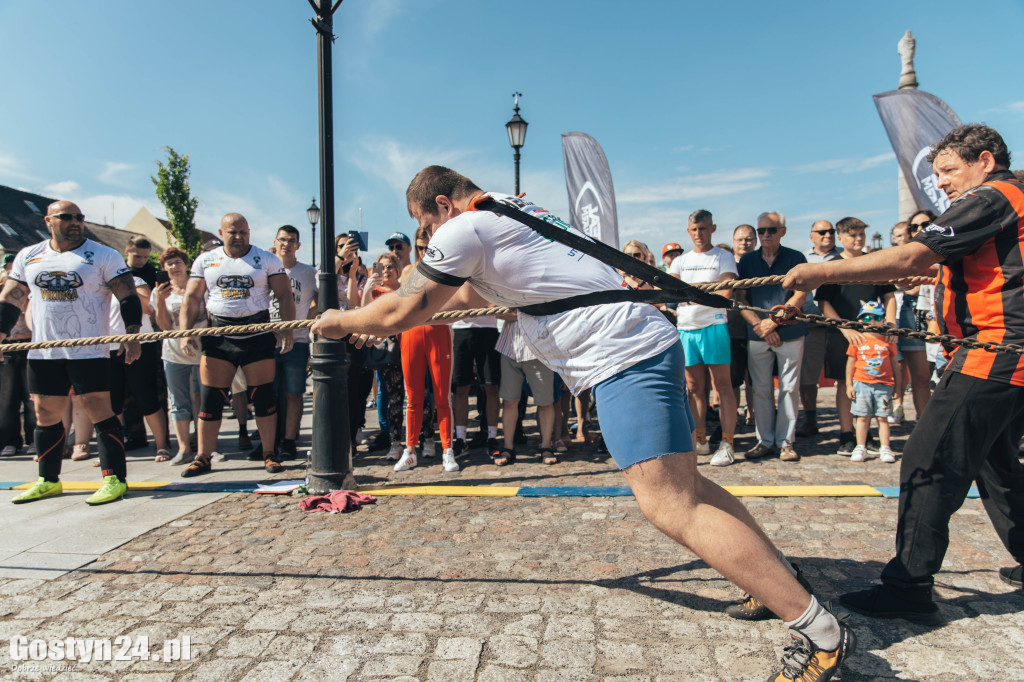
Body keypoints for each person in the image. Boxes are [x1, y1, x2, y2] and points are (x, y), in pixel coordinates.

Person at [312, 166, 854, 681]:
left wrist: (340, 321)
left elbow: (397, 313)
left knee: (670, 505)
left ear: (442, 204)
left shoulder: (468, 226)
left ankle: (820, 633)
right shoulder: (512, 207)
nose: (428, 237)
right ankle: (773, 578)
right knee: (690, 488)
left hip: (622, 357)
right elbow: (461, 295)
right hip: (638, 344)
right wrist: (392, 308)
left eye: (427, 226)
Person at [783, 123, 1024, 621]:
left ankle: (908, 589)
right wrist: (939, 271)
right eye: (937, 176)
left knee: (925, 463)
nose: (943, 184)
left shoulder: (992, 195)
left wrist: (822, 271)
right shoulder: (1015, 196)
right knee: (996, 463)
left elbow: (914, 251)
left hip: (991, 356)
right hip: (1007, 359)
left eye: (949, 171)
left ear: (984, 159)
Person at [0, 201, 141, 505]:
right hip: (44, 349)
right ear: (49, 220)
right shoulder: (29, 255)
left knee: (97, 408)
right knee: (45, 412)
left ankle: (114, 478)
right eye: (67, 217)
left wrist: (132, 334)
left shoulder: (104, 254)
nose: (75, 222)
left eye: (79, 217)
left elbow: (127, 294)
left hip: (89, 348)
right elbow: (12, 297)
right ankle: (48, 480)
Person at [180, 212, 295, 477]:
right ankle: (203, 457)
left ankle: (269, 452)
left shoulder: (266, 259)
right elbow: (191, 298)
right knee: (210, 400)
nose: (239, 237)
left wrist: (287, 329)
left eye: (244, 232)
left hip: (257, 334)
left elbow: (284, 294)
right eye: (233, 232)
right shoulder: (206, 260)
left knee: (264, 398)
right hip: (219, 335)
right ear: (221, 233)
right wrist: (186, 333)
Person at [814, 217, 896, 456]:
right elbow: (823, 301)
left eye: (861, 235)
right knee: (845, 383)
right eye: (852, 235)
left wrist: (891, 325)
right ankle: (847, 434)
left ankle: (868, 434)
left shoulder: (875, 263)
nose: (858, 239)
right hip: (843, 334)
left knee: (873, 382)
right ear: (840, 238)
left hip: (875, 336)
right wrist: (845, 328)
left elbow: (889, 295)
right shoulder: (833, 265)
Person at [736, 212, 808, 462]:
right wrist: (760, 325)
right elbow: (740, 298)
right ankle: (765, 440)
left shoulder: (796, 258)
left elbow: (800, 296)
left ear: (783, 231)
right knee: (761, 390)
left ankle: (786, 442)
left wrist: (772, 324)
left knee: (789, 389)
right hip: (757, 334)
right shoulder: (746, 261)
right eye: (761, 231)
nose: (765, 235)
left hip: (789, 331)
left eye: (771, 230)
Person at [668, 210, 738, 466]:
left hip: (714, 326)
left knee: (722, 386)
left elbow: (725, 292)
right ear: (688, 231)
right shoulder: (680, 262)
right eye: (695, 230)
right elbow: (674, 292)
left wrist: (690, 293)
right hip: (686, 328)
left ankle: (728, 443)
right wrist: (696, 292)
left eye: (704, 229)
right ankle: (700, 440)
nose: (699, 234)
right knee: (694, 388)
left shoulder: (724, 257)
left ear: (713, 228)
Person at [398, 226, 456, 472]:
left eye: (428, 247)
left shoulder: (446, 269)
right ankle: (410, 450)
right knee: (413, 397)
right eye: (420, 248)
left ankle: (448, 450)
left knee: (442, 396)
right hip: (411, 334)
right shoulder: (409, 271)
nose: (423, 252)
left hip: (438, 332)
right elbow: (403, 305)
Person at [269, 225, 318, 460]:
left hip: (297, 340)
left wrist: (310, 316)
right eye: (282, 240)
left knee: (293, 392)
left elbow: (325, 295)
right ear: (275, 242)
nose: (286, 244)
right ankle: (269, 442)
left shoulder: (307, 273)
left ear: (298, 245)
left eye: (291, 241)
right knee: (267, 394)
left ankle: (289, 441)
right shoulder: (266, 269)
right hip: (267, 339)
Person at [152, 247, 204, 466]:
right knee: (178, 401)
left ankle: (205, 448)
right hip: (174, 353)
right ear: (164, 268)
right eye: (169, 264)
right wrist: (161, 302)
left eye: (178, 262)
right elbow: (164, 326)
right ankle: (183, 449)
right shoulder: (161, 292)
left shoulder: (200, 286)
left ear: (186, 264)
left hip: (202, 352)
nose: (174, 267)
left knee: (203, 400)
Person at [796, 220, 844, 438]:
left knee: (845, 375)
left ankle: (852, 422)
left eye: (831, 231)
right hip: (812, 323)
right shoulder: (803, 260)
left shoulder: (844, 257)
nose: (828, 235)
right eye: (822, 232)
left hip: (841, 323)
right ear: (811, 236)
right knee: (809, 375)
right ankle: (810, 418)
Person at [362, 253, 410, 468]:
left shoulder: (405, 288)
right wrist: (367, 289)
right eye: (383, 267)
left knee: (419, 395)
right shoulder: (375, 291)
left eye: (391, 266)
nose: (387, 270)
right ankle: (395, 441)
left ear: (398, 268)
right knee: (393, 397)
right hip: (388, 350)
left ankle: (419, 440)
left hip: (408, 344)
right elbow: (364, 312)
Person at [845, 301, 898, 463]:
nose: (871, 321)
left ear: (883, 320)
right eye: (866, 317)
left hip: (884, 385)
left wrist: (898, 386)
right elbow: (850, 364)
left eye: (876, 317)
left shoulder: (888, 340)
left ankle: (885, 447)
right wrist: (849, 384)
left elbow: (896, 365)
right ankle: (860, 446)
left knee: (882, 418)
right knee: (862, 417)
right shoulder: (857, 340)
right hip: (861, 384)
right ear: (860, 320)